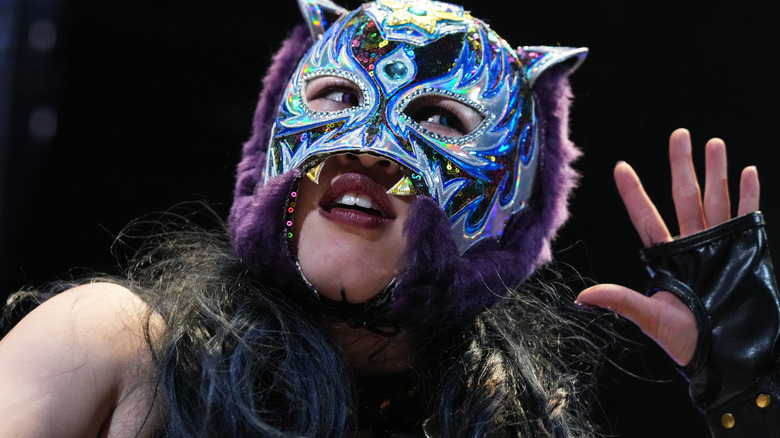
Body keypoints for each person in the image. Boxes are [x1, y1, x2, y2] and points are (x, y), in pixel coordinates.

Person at [0, 0, 777, 436]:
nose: (368, 148)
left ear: (511, 209)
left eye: (439, 117)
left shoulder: (511, 427)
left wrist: (752, 397)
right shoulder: (114, 345)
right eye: (337, 97)